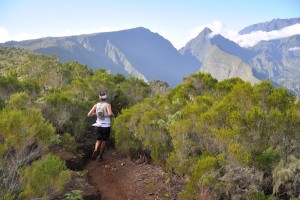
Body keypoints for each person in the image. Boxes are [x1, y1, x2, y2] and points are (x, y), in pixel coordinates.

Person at [87, 93, 114, 160]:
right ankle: (100, 155)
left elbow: (89, 115)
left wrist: (95, 114)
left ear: (100, 98)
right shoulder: (107, 105)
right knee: (104, 141)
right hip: (106, 126)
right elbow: (110, 114)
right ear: (105, 98)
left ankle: (96, 150)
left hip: (98, 125)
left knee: (98, 140)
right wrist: (112, 114)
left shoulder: (96, 105)